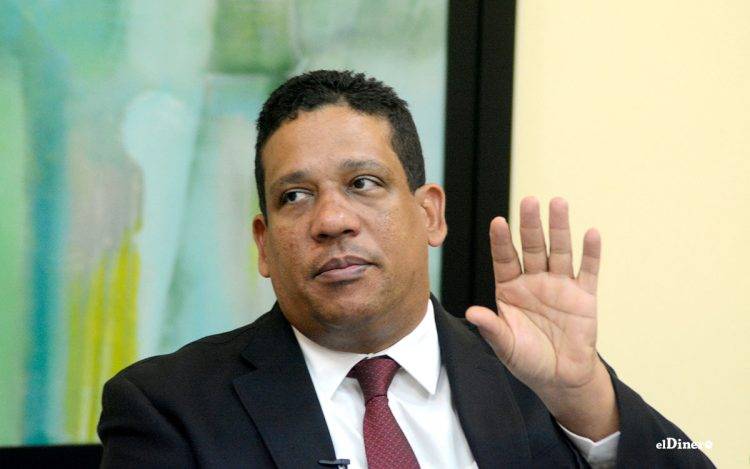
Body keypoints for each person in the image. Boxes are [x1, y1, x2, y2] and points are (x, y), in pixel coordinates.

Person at [98, 70, 714, 468]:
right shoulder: (168, 409)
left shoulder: (534, 378)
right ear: (263, 244)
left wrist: (584, 398)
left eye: (363, 183)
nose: (332, 220)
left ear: (429, 214)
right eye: (295, 196)